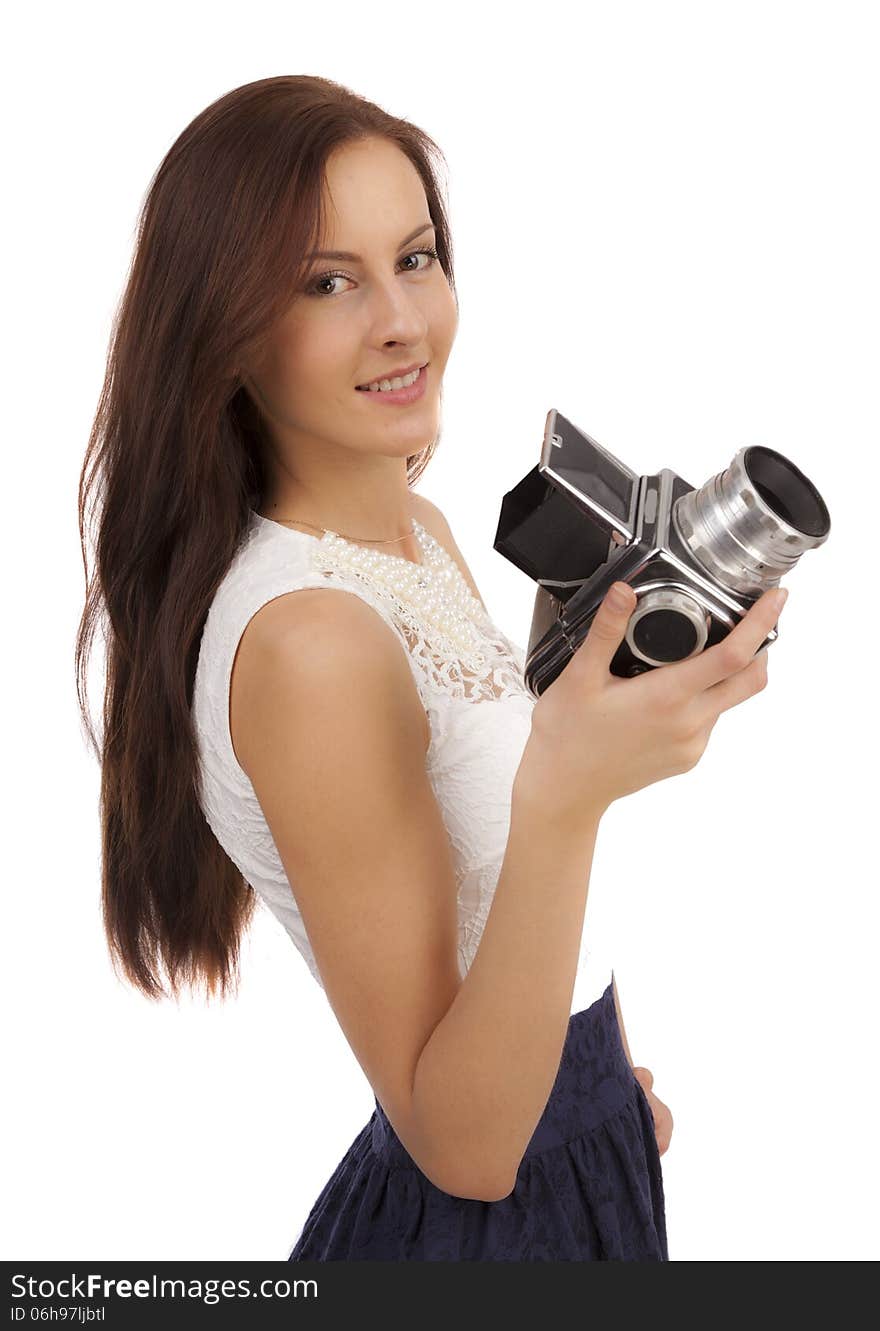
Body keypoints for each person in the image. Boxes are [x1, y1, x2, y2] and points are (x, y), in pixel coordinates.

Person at [76, 74, 786, 1261]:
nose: (402, 320)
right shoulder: (310, 643)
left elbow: (484, 896)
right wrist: (574, 786)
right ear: (225, 330)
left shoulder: (419, 533)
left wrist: (592, 1081)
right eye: (326, 282)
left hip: (573, 1159)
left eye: (414, 257)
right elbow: (464, 1147)